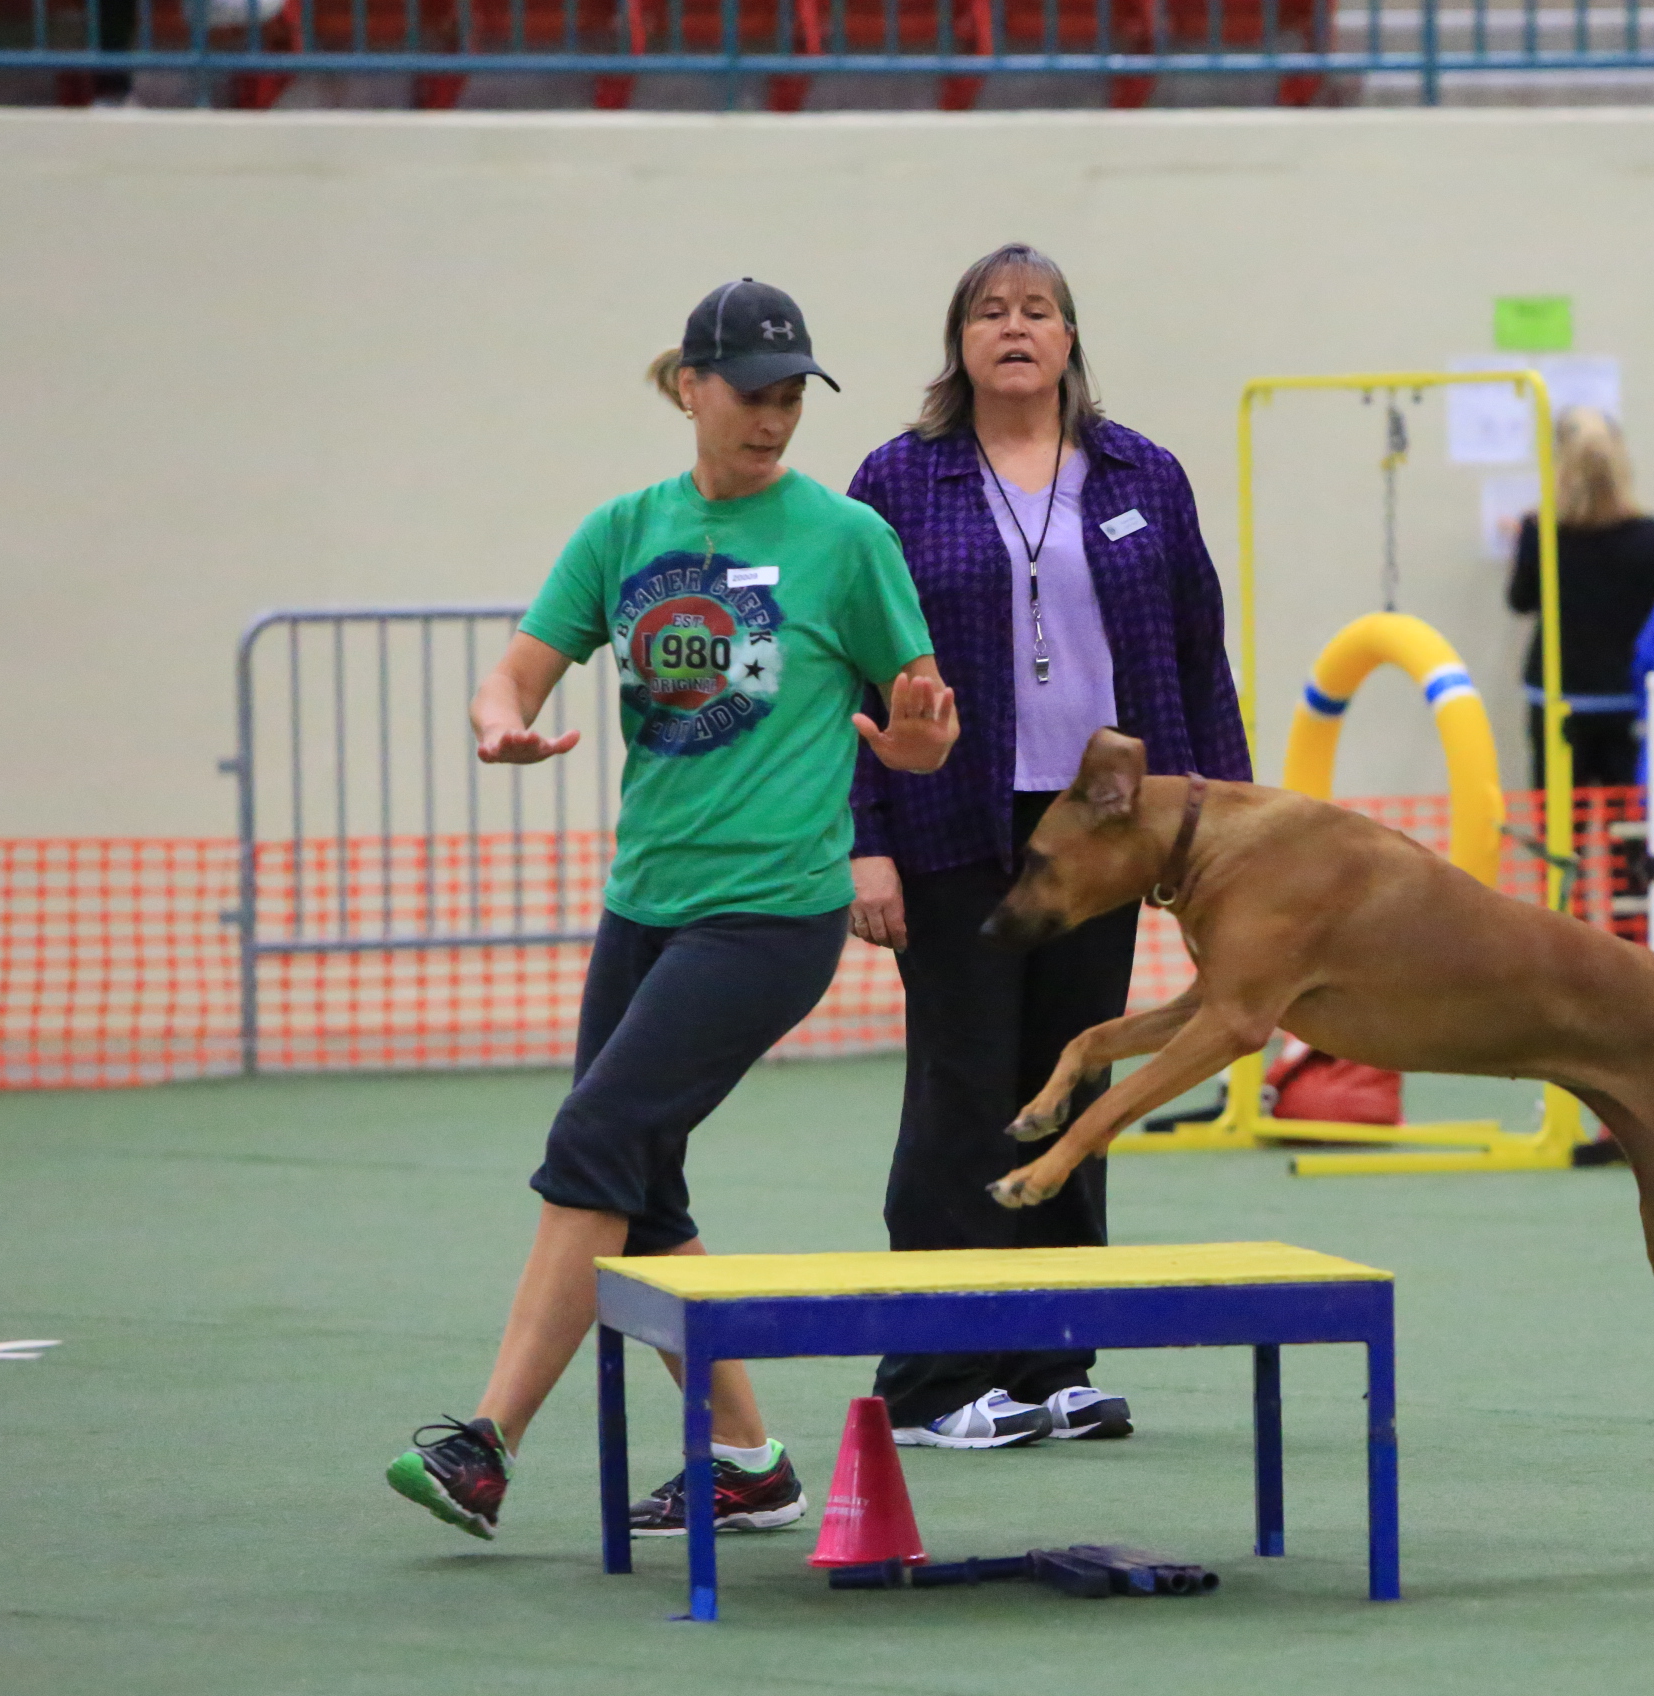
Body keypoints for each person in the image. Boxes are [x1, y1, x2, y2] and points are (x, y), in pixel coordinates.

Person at [386, 278, 958, 1541]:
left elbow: (919, 719)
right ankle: (750, 1464)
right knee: (639, 1192)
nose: (773, 417)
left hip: (771, 916)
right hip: (644, 906)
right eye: (751, 393)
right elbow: (513, 675)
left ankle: (486, 1442)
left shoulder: (847, 539)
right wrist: (500, 723)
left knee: (597, 1135)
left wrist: (918, 743)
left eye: (792, 395)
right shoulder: (623, 532)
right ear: (689, 388)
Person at [845, 242, 1249, 1450]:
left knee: (1074, 1075)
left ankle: (1052, 1357)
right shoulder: (899, 480)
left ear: (1070, 339)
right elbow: (848, 673)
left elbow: (1198, 656)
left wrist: (1223, 827)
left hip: (1104, 831)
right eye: (989, 312)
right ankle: (932, 1381)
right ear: (959, 343)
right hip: (950, 820)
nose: (1013, 328)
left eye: (1037, 310)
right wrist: (864, 841)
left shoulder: (1143, 474)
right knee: (964, 1084)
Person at [1508, 408, 1654, 792]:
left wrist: (1523, 549)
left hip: (1557, 694)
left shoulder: (1539, 532)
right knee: (1629, 815)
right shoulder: (1649, 535)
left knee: (1560, 818)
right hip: (1625, 694)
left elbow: (1520, 601)